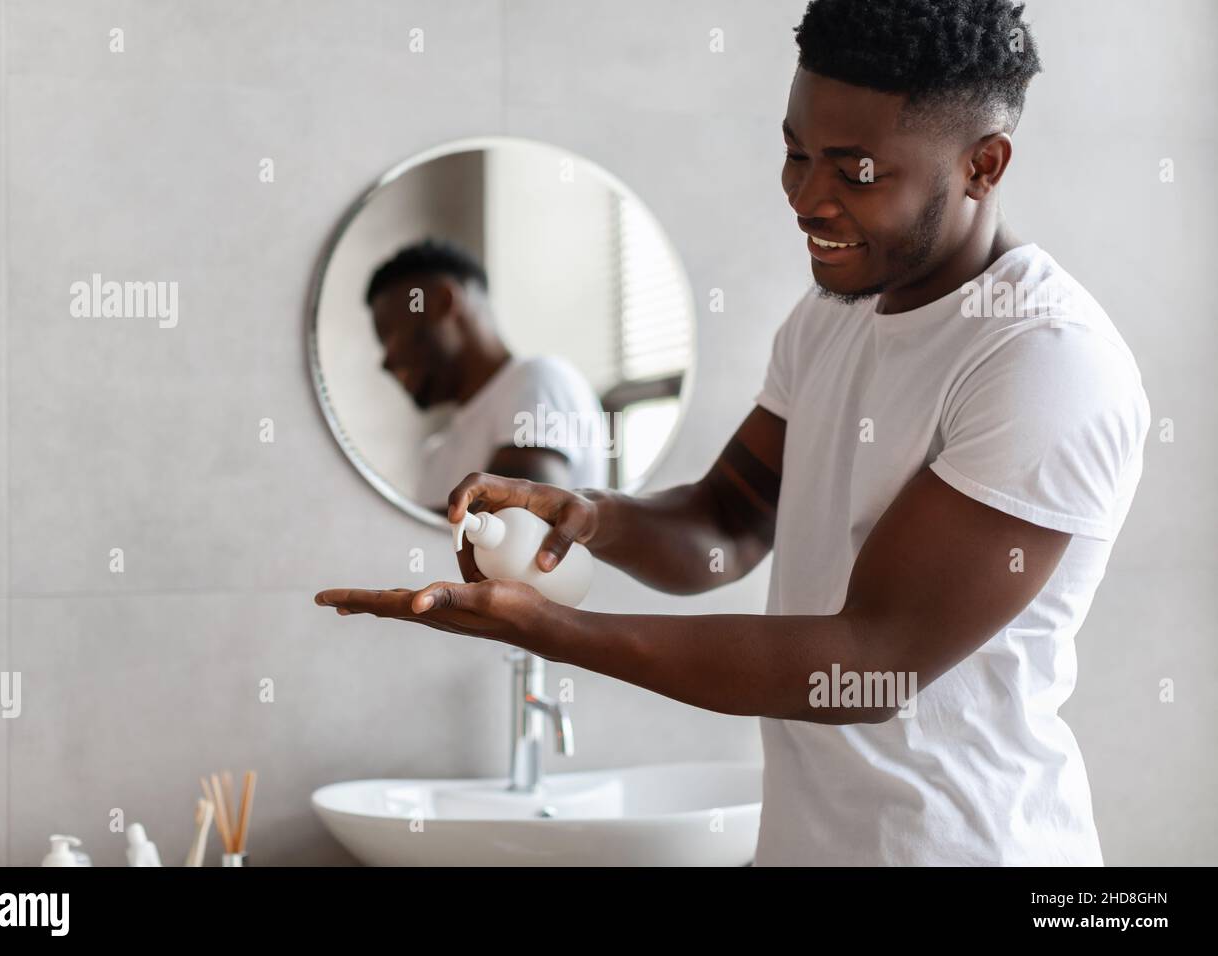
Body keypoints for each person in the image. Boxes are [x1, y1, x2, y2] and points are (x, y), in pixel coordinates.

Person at [319, 0, 1150, 866]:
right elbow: (725, 524)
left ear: (983, 165)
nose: (805, 198)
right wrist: (589, 515)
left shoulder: (1045, 361)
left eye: (855, 171)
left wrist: (548, 631)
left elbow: (874, 660)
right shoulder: (832, 317)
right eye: (795, 153)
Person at [365, 239, 608, 511]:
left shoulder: (539, 379)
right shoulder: (436, 455)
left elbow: (515, 517)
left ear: (442, 303)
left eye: (389, 336)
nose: (385, 362)